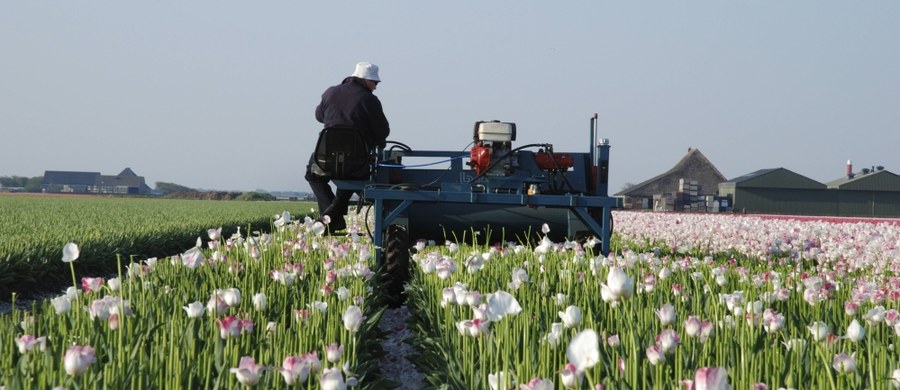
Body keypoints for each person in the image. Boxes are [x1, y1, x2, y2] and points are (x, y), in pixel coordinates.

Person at [306, 62, 390, 232]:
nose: (376, 87)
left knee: (313, 174)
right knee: (350, 177)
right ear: (366, 80)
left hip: (325, 160)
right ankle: (333, 215)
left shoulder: (330, 92)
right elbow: (383, 132)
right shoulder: (369, 100)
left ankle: (331, 216)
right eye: (375, 82)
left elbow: (319, 116)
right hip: (357, 163)